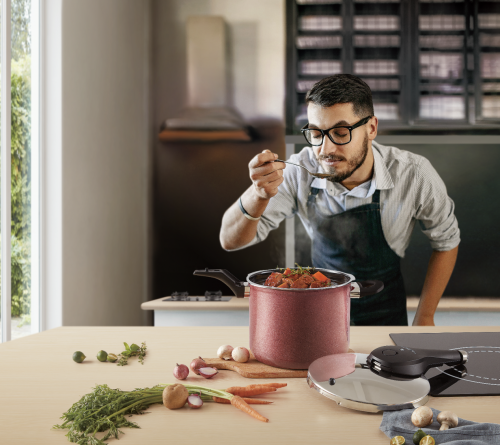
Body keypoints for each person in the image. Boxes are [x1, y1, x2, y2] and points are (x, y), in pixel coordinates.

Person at [219, 74, 460, 326]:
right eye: (315, 133)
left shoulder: (414, 173)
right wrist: (258, 194)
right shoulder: (299, 170)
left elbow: (446, 241)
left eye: (340, 132)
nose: (325, 150)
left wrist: (425, 316)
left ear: (371, 128)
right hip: (320, 307)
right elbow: (230, 240)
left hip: (386, 309)